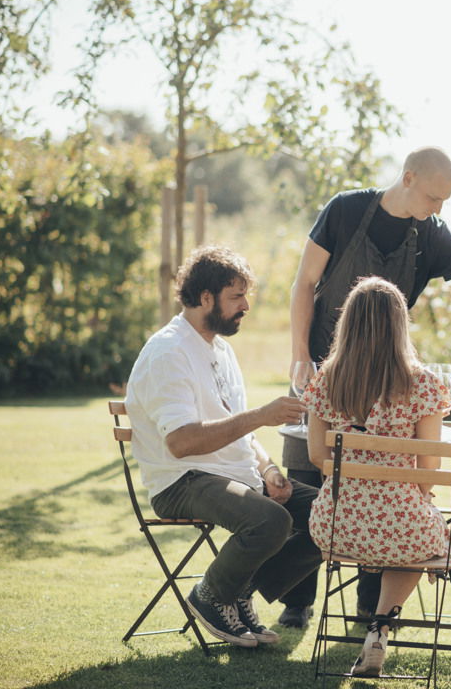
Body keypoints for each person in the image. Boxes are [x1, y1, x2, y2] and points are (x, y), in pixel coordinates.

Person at [277, 145, 451, 626]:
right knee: (307, 479)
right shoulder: (346, 209)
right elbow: (304, 282)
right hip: (323, 376)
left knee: (376, 482)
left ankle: (368, 612)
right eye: (435, 196)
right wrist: (300, 356)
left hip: (385, 384)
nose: (440, 208)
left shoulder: (432, 235)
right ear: (408, 178)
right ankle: (296, 603)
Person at [303, 276, 451, 677]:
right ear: (401, 324)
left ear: (346, 323)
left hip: (334, 524)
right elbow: (427, 475)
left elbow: (317, 455)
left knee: (413, 527)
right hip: (404, 529)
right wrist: (406, 495)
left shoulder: (325, 380)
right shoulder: (424, 384)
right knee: (418, 528)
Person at [125, 245, 321, 648]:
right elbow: (181, 443)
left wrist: (268, 470)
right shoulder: (168, 351)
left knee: (334, 515)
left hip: (237, 475)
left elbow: (239, 429)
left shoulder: (222, 350)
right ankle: (212, 594)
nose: (246, 305)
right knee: (271, 521)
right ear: (205, 297)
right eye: (236, 297)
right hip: (183, 480)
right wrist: (261, 416)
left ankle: (237, 592)